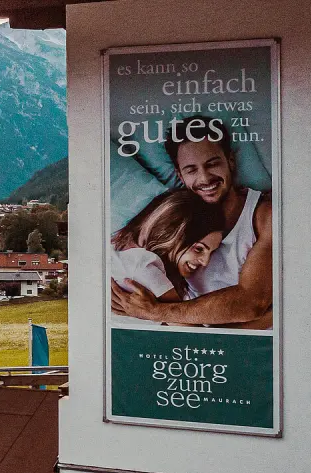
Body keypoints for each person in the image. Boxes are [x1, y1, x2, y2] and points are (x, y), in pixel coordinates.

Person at [111, 115, 273, 329]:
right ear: (180, 174)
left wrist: (155, 312)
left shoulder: (264, 216)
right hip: (193, 345)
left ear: (230, 161)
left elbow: (252, 302)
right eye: (191, 170)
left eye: (213, 164)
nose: (205, 178)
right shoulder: (172, 217)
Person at [110, 189, 225, 325]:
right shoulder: (143, 267)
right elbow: (193, 334)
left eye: (211, 252)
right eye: (199, 249)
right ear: (170, 234)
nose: (205, 262)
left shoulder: (116, 248)